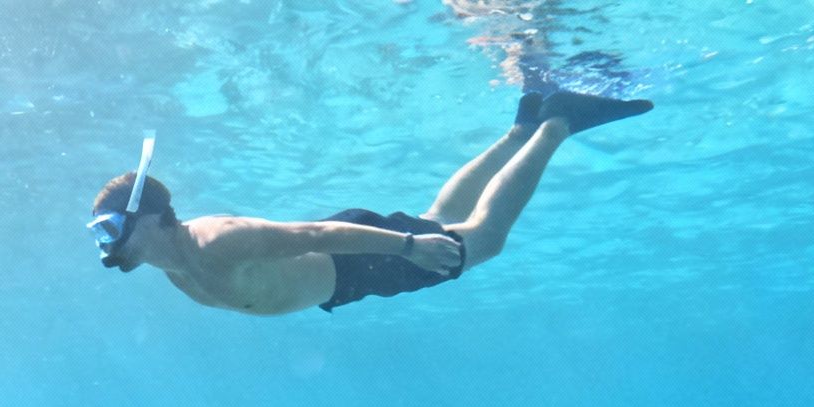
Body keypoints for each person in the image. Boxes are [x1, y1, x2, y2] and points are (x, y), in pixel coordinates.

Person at [86, 90, 651, 316]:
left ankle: (557, 123)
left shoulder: (215, 240)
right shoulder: (172, 267)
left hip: (353, 260)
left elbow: (314, 236)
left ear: (154, 218)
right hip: (347, 275)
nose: (106, 245)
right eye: (99, 234)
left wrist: (408, 247)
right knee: (437, 219)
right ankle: (520, 128)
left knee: (480, 242)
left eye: (111, 228)